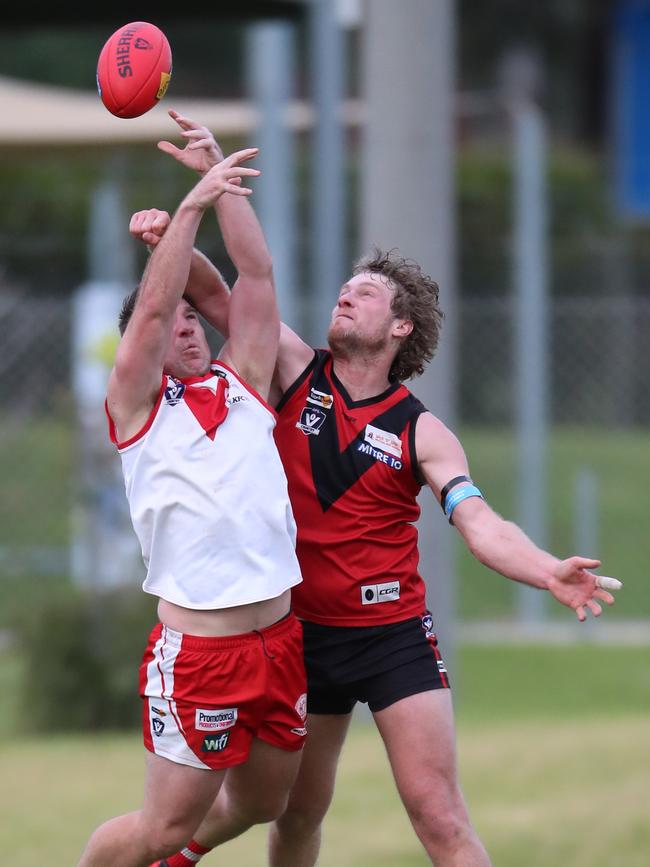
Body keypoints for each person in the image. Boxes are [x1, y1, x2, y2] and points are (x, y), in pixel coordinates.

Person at [139, 113, 623, 867]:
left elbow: (480, 522)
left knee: (441, 816)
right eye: (344, 289)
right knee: (297, 815)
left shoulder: (420, 430)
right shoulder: (297, 371)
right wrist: (188, 213)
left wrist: (546, 570)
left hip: (393, 636)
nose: (344, 298)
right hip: (303, 634)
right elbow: (227, 294)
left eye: (363, 293)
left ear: (400, 327)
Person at [77, 129, 308, 867]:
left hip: (279, 641)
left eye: (191, 317)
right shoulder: (138, 410)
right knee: (162, 828)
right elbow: (147, 316)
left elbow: (257, 275)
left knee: (265, 802)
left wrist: (218, 176)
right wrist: (185, 216)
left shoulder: (244, 383)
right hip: (201, 656)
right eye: (173, 321)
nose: (186, 324)